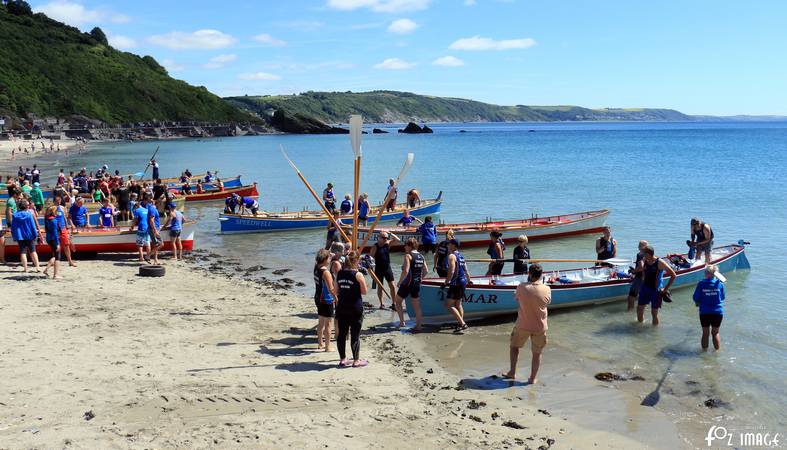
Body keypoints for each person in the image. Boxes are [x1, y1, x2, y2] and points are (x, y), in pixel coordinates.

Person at [502, 263, 551, 384]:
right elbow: (547, 302)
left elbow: (517, 298)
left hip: (523, 324)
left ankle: (512, 372)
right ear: (541, 275)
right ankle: (532, 378)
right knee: (537, 353)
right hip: (540, 326)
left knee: (514, 347)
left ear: (529, 274)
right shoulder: (547, 288)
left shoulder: (521, 287)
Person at [336, 251, 369, 367]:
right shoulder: (358, 274)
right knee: (355, 334)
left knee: (342, 334)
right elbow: (364, 291)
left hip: (342, 307)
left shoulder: (339, 273)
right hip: (355, 307)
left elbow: (336, 290)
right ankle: (356, 360)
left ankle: (342, 359)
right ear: (356, 261)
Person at [636, 245, 677, 326]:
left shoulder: (660, 262)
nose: (643, 256)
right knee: (639, 309)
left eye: (644, 254)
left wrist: (665, 289)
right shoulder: (645, 260)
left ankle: (655, 332)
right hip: (645, 288)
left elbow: (673, 275)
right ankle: (639, 328)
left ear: (648, 254)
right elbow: (643, 271)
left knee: (654, 313)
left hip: (655, 291)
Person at [394, 237, 428, 331]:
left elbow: (405, 271)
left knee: (397, 301)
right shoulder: (421, 256)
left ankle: (402, 322)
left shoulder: (408, 256)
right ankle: (419, 326)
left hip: (407, 283)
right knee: (416, 306)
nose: (404, 247)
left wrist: (400, 282)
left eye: (405, 245)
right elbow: (426, 271)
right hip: (416, 284)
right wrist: (420, 279)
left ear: (409, 246)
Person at [693, 265, 725, 351]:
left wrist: (698, 303)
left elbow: (695, 298)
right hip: (717, 312)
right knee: (715, 333)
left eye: (705, 272)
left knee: (705, 333)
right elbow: (722, 297)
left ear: (707, 273)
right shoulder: (720, 284)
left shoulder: (701, 283)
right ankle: (717, 353)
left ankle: (704, 353)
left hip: (705, 312)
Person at [443, 238, 470, 333]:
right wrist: (469, 280)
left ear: (453, 245)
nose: (447, 245)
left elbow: (452, 270)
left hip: (456, 282)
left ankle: (462, 323)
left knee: (449, 305)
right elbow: (466, 270)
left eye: (449, 244)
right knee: (458, 304)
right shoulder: (461, 256)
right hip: (463, 281)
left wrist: (446, 282)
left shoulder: (451, 256)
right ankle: (460, 324)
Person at [313, 248, 336, 352]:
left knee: (321, 321)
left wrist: (328, 254)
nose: (330, 259)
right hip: (326, 299)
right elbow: (331, 288)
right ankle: (328, 346)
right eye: (329, 258)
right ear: (325, 259)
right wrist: (336, 298)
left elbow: (322, 259)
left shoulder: (316, 267)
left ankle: (320, 343)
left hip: (318, 296)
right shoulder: (326, 272)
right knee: (328, 324)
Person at [370, 231, 399, 309]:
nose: (386, 239)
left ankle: (394, 303)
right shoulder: (375, 246)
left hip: (387, 268)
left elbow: (397, 240)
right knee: (380, 287)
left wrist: (390, 233)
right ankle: (382, 304)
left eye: (387, 238)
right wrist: (371, 271)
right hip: (378, 269)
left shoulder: (387, 244)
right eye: (384, 238)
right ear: (378, 238)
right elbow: (370, 258)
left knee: (392, 286)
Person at [10, 200, 41, 273]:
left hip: (20, 236)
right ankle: (37, 267)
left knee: (23, 252)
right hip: (29, 235)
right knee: (33, 251)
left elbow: (13, 227)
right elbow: (33, 226)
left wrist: (14, 235)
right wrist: (35, 234)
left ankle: (25, 268)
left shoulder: (14, 215)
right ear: (26, 206)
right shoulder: (29, 214)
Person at [54, 195, 76, 267]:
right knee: (56, 246)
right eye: (57, 201)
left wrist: (67, 225)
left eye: (59, 201)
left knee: (66, 245)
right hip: (55, 229)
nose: (58, 202)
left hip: (63, 228)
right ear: (54, 201)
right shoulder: (52, 209)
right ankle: (56, 261)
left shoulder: (63, 208)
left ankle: (70, 261)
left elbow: (64, 217)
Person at [626, 240, 648, 310]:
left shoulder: (640, 254)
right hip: (647, 278)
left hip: (639, 278)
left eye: (639, 245)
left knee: (631, 297)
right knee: (644, 296)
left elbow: (641, 267)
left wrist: (633, 271)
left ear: (640, 246)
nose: (638, 246)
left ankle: (629, 311)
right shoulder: (650, 254)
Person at [43, 205, 62, 279]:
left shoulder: (47, 219)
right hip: (53, 239)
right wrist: (57, 244)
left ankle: (46, 269)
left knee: (55, 255)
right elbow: (55, 233)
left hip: (49, 239)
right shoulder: (53, 220)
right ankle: (56, 275)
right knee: (58, 257)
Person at [130, 197, 151, 262]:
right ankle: (148, 257)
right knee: (147, 243)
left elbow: (135, 220)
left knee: (139, 244)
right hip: (147, 228)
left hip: (141, 228)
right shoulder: (146, 210)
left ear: (136, 206)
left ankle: (141, 258)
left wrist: (132, 227)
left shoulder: (137, 210)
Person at [145, 193, 163, 264]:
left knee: (156, 245)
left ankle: (155, 260)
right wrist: (155, 230)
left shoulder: (153, 208)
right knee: (161, 244)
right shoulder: (152, 208)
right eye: (160, 203)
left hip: (155, 228)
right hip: (153, 229)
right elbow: (151, 220)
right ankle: (148, 255)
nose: (161, 205)